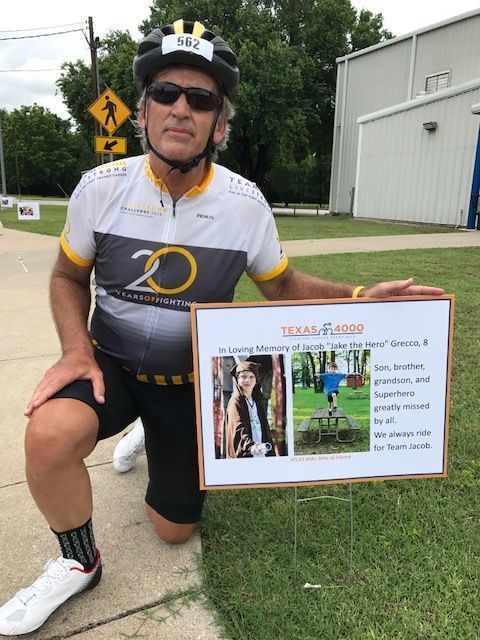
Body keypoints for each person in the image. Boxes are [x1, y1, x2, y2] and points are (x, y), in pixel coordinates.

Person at [0, 18, 444, 636]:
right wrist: (75, 350)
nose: (181, 108)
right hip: (112, 364)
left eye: (201, 99)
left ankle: (150, 434)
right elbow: (67, 277)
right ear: (143, 111)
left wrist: (359, 295)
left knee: (174, 531)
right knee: (48, 436)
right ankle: (79, 562)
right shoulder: (98, 189)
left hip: (190, 383)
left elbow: (281, 285)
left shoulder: (244, 203)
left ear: (220, 124)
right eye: (165, 93)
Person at [226, 361, 275, 458]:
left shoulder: (257, 401)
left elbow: (264, 428)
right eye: (243, 377)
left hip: (261, 451)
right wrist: (250, 446)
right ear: (237, 379)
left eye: (251, 377)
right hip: (247, 452)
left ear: (256, 380)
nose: (247, 380)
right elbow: (237, 427)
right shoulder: (236, 401)